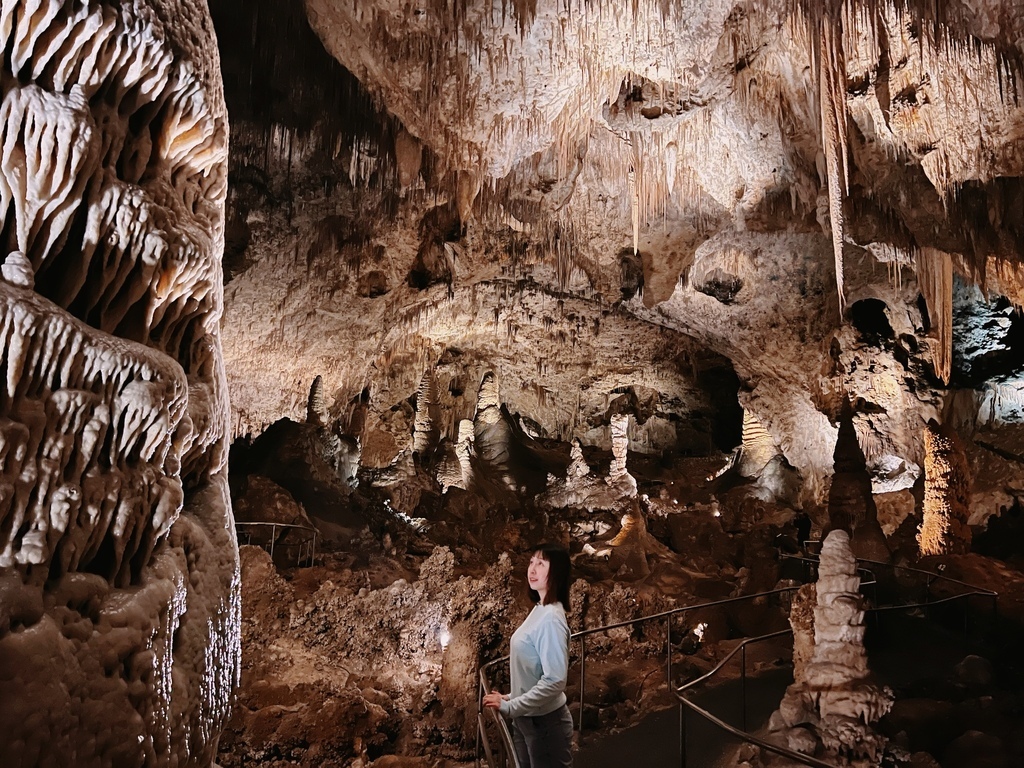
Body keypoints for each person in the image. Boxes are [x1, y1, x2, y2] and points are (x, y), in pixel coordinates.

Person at [483, 544, 573, 768]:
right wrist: (512, 697)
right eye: (531, 562)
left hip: (545, 725)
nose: (532, 569)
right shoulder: (540, 608)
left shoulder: (551, 618)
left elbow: (555, 680)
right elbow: (535, 669)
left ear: (557, 573)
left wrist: (512, 707)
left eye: (541, 564)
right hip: (528, 720)